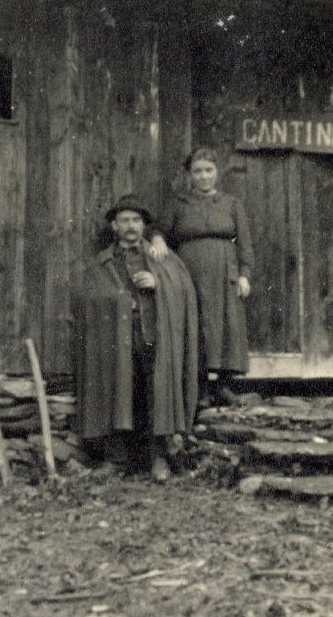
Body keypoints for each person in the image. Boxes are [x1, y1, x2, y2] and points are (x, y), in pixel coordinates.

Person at [74, 195, 199, 483]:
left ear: (144, 225)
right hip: (116, 341)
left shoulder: (161, 257)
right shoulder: (102, 263)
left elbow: (183, 291)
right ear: (115, 227)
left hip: (153, 337)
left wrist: (159, 283)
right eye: (124, 221)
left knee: (157, 395)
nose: (131, 226)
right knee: (116, 393)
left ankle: (159, 459)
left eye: (136, 221)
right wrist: (117, 302)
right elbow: (90, 299)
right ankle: (116, 459)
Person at [150, 147, 254, 409]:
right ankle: (200, 390)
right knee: (196, 328)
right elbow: (159, 229)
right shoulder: (178, 203)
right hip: (190, 274)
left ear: (217, 173)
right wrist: (159, 240)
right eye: (198, 171)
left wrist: (244, 274)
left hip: (225, 273)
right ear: (189, 174)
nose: (204, 176)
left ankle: (223, 386)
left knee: (227, 326)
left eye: (209, 170)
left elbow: (245, 243)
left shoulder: (232, 203)